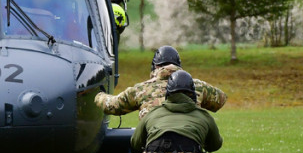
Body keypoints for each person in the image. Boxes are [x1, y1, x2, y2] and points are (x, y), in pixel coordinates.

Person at [94, 45, 227, 117]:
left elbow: (112, 105)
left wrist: (98, 94)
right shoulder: (197, 85)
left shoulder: (141, 90)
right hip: (191, 148)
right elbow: (221, 100)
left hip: (154, 150)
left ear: (155, 66)